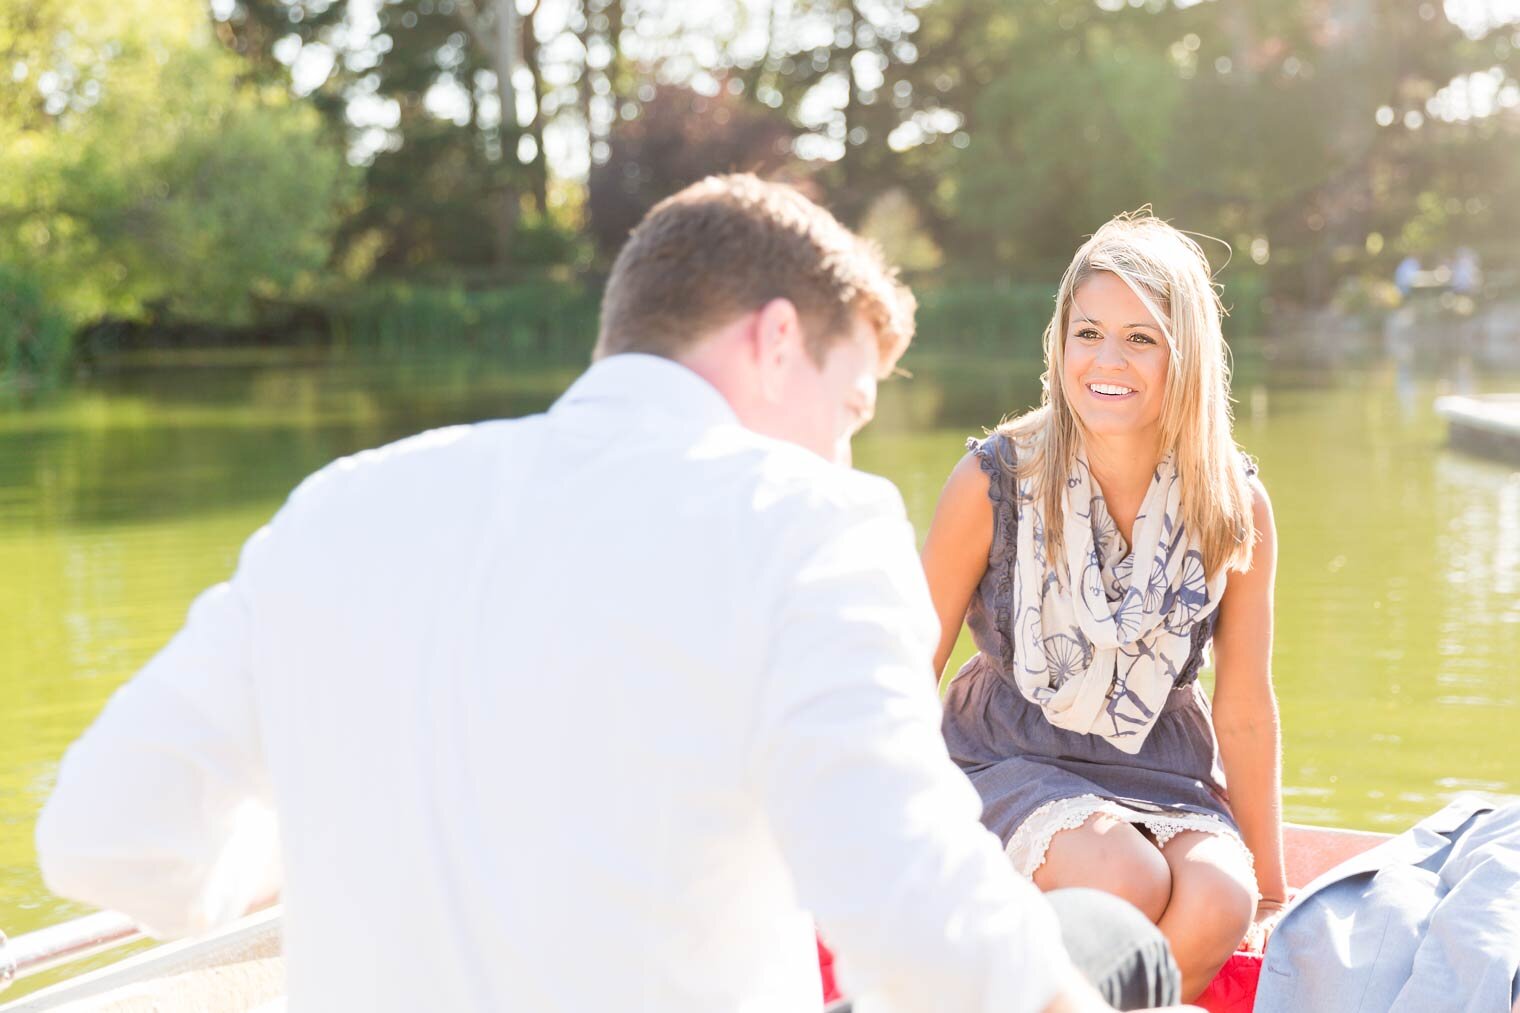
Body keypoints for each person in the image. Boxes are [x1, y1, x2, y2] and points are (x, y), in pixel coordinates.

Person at [36, 176, 1184, 1012]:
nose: (842, 455)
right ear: (775, 339)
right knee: (1097, 938)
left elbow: (100, 836)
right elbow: (919, 932)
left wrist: (297, 854)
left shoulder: (340, 505)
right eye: (847, 408)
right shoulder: (800, 521)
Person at [921, 212, 1287, 1001]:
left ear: (1183, 356)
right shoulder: (994, 480)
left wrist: (1274, 889)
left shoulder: (1234, 500)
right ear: (1059, 344)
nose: (1106, 360)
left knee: (1218, 899)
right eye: (1087, 332)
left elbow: (1247, 708)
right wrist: (881, 826)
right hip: (1008, 752)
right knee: (1124, 876)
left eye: (1141, 338)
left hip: (1166, 767)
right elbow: (909, 663)